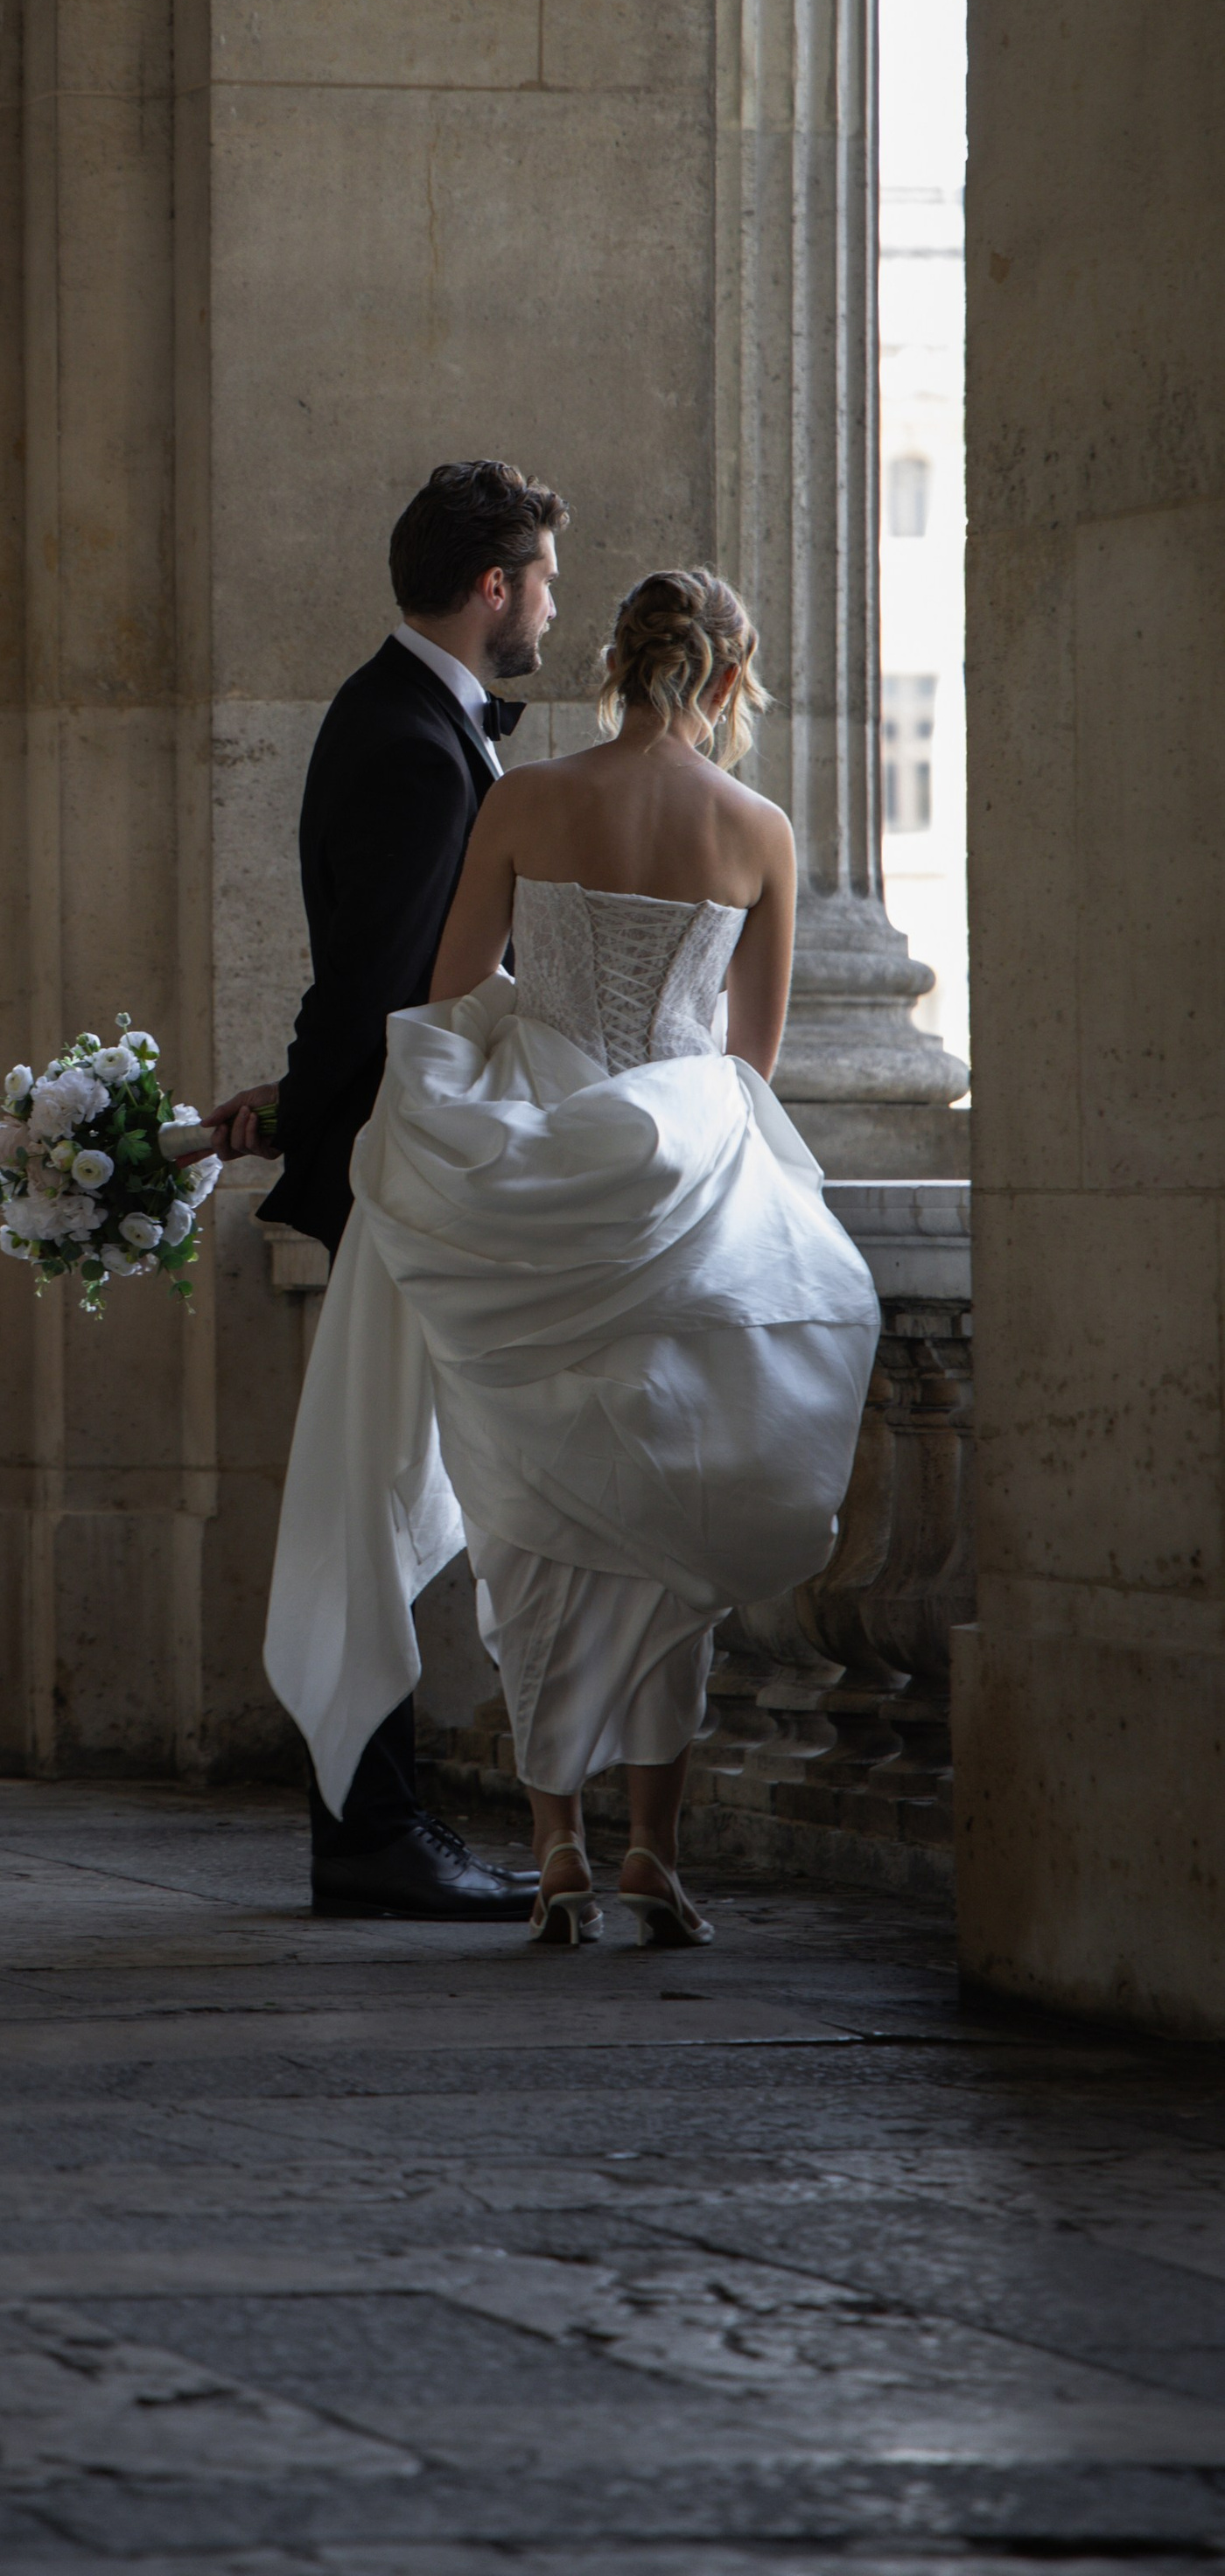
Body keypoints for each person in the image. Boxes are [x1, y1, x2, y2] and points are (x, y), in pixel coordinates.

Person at [262, 568, 880, 1950]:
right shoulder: (760, 830)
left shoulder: (527, 801)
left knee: (532, 1525)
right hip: (683, 1198)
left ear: (614, 664)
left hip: (530, 1181)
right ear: (728, 683)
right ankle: (656, 1849)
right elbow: (751, 1063)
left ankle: (557, 1853)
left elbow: (446, 998)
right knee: (669, 1531)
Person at [200, 458, 566, 1921]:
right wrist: (310, 1129)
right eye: (542, 577)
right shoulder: (416, 743)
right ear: (494, 588)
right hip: (407, 1177)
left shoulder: (398, 713)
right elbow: (380, 989)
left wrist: (289, 1108)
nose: (551, 603)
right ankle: (370, 1831)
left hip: (400, 1157)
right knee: (376, 1503)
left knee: (394, 1498)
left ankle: (378, 1822)